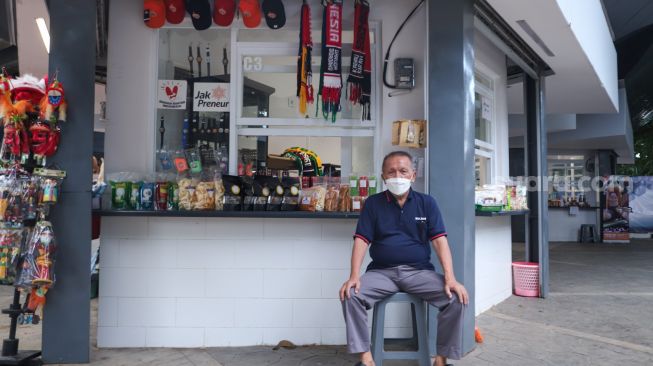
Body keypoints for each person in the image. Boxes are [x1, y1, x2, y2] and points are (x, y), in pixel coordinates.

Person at [340, 151, 469, 366]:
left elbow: (439, 241)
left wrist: (450, 277)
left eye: (403, 171)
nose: (397, 176)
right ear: (383, 177)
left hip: (419, 272)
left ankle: (441, 360)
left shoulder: (427, 203)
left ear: (413, 175)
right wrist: (354, 275)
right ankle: (366, 359)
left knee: (456, 298)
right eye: (391, 172)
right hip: (381, 272)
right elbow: (361, 240)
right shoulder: (373, 204)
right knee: (350, 294)